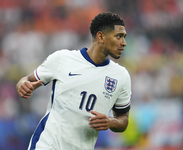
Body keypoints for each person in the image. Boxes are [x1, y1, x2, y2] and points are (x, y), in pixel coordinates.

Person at [16, 12, 131, 150]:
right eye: (119, 36)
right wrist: (22, 85)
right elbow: (26, 80)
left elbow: (123, 119)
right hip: (47, 145)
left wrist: (111, 122)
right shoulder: (62, 59)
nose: (123, 43)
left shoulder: (121, 76)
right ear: (101, 36)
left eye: (124, 37)